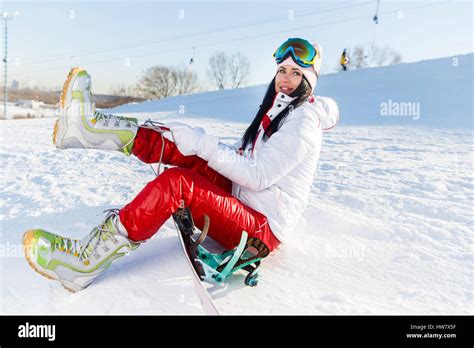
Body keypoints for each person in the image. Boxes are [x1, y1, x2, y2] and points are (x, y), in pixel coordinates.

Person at [23, 37, 339, 292]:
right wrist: (197, 144)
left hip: (262, 230)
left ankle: (85, 262)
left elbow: (258, 176)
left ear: (308, 80)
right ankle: (90, 129)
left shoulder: (304, 122)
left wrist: (205, 145)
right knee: (187, 152)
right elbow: (248, 162)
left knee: (178, 183)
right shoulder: (278, 109)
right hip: (245, 198)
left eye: (296, 73)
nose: (286, 79)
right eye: (282, 70)